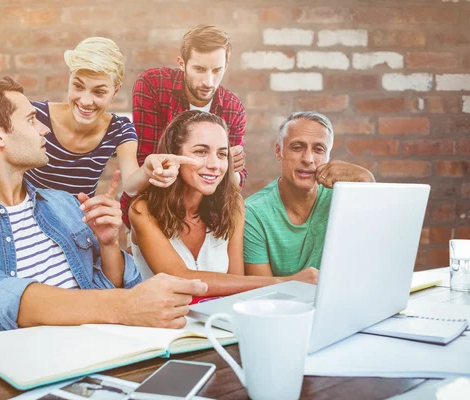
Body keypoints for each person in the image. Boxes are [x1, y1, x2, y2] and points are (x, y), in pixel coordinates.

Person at [0, 77, 207, 353]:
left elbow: (116, 285)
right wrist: (127, 306)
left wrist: (109, 244)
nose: (44, 128)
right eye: (31, 119)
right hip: (6, 372)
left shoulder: (63, 204)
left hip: (95, 356)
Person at [129, 110, 318, 297]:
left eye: (221, 154)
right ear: (173, 154)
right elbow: (181, 279)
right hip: (159, 324)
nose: (214, 164)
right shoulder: (143, 210)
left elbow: (237, 283)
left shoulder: (232, 205)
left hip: (215, 322)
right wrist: (286, 282)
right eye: (201, 151)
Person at [25, 37, 190, 199]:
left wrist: (147, 169)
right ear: (70, 79)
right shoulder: (34, 114)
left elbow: (131, 187)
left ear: (115, 92)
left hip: (75, 222)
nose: (85, 101)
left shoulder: (118, 130)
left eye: (99, 92)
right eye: (78, 86)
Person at [120, 24, 247, 228]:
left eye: (217, 70)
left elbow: (235, 182)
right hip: (151, 211)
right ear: (182, 63)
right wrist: (220, 159)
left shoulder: (233, 107)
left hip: (204, 218)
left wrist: (228, 167)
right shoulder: (154, 85)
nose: (208, 81)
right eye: (199, 69)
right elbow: (146, 163)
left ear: (227, 65)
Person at [244, 111, 376, 279]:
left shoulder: (342, 199)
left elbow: (372, 258)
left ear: (329, 156)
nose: (308, 159)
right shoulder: (254, 213)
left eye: (319, 149)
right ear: (279, 151)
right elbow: (262, 294)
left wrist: (367, 180)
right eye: (297, 147)